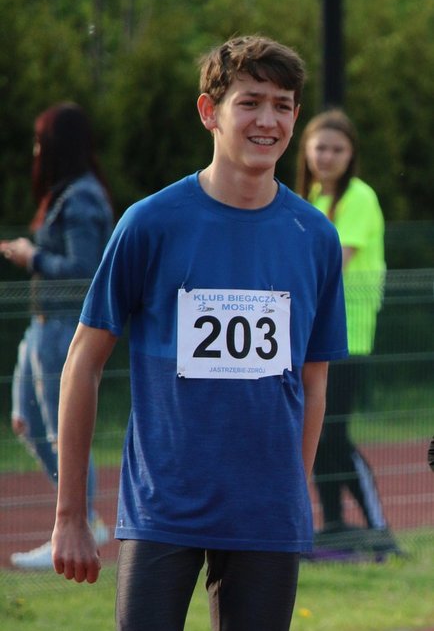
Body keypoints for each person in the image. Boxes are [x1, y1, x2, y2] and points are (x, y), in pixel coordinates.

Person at [52, 36, 348, 631]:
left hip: (266, 515)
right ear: (209, 112)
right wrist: (70, 516)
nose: (268, 120)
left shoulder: (314, 236)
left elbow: (314, 380)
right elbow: (83, 362)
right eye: (250, 102)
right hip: (164, 507)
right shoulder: (150, 223)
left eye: (283, 105)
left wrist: (293, 492)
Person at [0, 102, 114, 568]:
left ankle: (78, 522)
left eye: (40, 141)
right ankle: (80, 518)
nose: (35, 151)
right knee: (25, 421)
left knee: (61, 429)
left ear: (58, 145)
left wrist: (33, 258)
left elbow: (85, 269)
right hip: (43, 323)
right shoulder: (66, 193)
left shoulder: (81, 198)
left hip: (66, 325)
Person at [296, 108, 399, 553]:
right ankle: (335, 524)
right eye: (320, 147)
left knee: (334, 432)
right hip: (309, 332)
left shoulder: (359, 197)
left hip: (349, 334)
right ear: (306, 150)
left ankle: (379, 528)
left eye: (337, 149)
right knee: (317, 431)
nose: (327, 156)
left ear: (351, 153)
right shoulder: (309, 197)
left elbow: (335, 262)